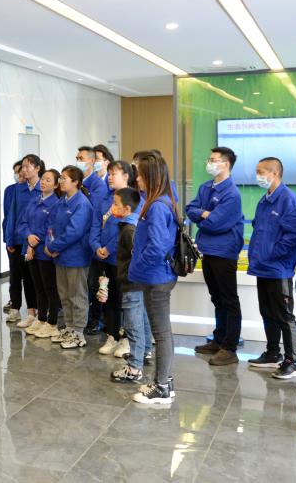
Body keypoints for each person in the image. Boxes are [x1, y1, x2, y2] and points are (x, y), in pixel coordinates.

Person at [187, 147, 245, 366]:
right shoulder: (206, 187)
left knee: (229, 300)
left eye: (213, 160)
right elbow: (190, 209)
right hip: (208, 250)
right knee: (217, 298)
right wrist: (204, 213)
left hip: (224, 252)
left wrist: (203, 216)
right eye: (209, 159)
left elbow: (215, 223)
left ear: (226, 164)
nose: (209, 163)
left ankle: (230, 348)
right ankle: (219, 339)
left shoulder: (232, 194)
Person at [246, 157, 296, 379]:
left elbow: (292, 236)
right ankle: (272, 353)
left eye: (261, 171)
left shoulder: (288, 199)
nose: (258, 176)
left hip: (279, 268)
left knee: (284, 315)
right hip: (263, 267)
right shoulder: (265, 199)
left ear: (275, 173)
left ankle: (292, 361)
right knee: (267, 312)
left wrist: (271, 254)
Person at [130, 153, 179, 404]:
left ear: (150, 176)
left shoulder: (158, 206)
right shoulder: (160, 201)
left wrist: (138, 264)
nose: (137, 179)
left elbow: (157, 246)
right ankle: (164, 380)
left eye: (139, 175)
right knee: (163, 331)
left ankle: (161, 388)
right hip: (156, 274)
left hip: (156, 276)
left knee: (160, 333)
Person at [44, 165, 94, 349]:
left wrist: (53, 247)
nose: (61, 181)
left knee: (77, 295)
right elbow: (50, 225)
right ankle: (70, 327)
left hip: (76, 257)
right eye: (61, 177)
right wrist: (50, 245)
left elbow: (74, 232)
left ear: (76, 182)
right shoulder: (62, 201)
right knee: (64, 294)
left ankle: (79, 333)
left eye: (64, 178)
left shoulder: (82, 204)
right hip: (60, 256)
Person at [110, 186, 152, 385]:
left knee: (133, 327)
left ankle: (134, 368)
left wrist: (130, 277)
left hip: (132, 284)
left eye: (115, 204)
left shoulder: (129, 230)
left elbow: (138, 257)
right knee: (142, 322)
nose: (112, 207)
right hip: (138, 284)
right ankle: (144, 353)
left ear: (127, 208)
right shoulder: (132, 226)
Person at [92, 160, 135, 356]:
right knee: (109, 299)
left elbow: (127, 230)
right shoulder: (104, 200)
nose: (109, 177)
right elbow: (94, 226)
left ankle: (127, 339)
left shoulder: (133, 198)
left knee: (125, 300)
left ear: (126, 176)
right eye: (108, 174)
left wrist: (109, 248)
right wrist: (96, 247)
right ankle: (112, 335)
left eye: (114, 174)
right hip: (104, 259)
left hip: (123, 260)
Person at [20, 169, 62, 339]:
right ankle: (41, 318)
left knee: (49, 288)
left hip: (45, 252)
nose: (43, 182)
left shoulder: (56, 203)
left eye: (48, 180)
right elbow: (23, 222)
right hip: (31, 250)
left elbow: (50, 228)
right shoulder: (34, 199)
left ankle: (52, 322)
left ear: (56, 185)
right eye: (43, 179)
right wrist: (28, 237)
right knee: (37, 286)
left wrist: (33, 242)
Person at [4, 155, 42, 325]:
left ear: (37, 168)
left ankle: (42, 314)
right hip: (19, 240)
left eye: (27, 167)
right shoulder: (18, 189)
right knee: (23, 277)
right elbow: (11, 215)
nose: (24, 170)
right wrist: (9, 239)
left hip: (38, 241)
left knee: (38, 280)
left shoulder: (44, 188)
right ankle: (29, 312)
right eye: (23, 167)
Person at [76, 146, 110, 336]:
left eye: (81, 158)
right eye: (77, 157)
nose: (78, 161)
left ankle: (97, 319)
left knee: (95, 283)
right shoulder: (79, 181)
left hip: (95, 242)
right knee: (84, 284)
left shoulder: (98, 185)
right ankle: (86, 318)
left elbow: (96, 215)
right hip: (82, 242)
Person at [2, 161, 24, 313]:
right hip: (12, 238)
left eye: (20, 170)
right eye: (15, 171)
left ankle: (34, 308)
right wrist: (7, 237)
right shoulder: (10, 190)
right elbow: (8, 215)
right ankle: (14, 303)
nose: (18, 174)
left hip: (27, 240)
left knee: (30, 277)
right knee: (14, 274)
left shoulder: (33, 190)